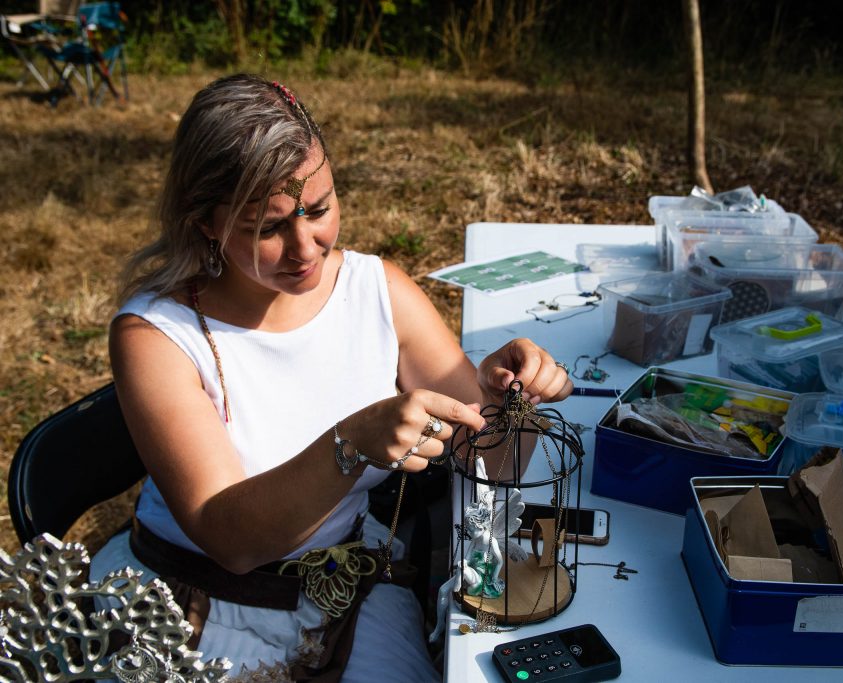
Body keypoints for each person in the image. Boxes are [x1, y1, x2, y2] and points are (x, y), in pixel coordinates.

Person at [90, 73, 573, 682]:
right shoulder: (157, 336)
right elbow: (230, 539)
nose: (305, 247)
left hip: (343, 588)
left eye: (318, 210)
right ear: (205, 222)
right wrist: (351, 444)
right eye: (267, 228)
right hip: (188, 604)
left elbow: (496, 465)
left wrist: (514, 397)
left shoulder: (378, 293)